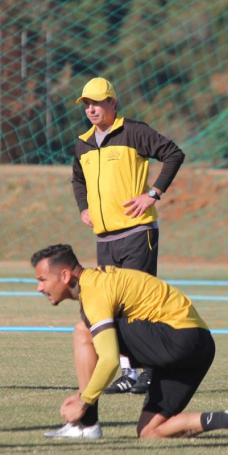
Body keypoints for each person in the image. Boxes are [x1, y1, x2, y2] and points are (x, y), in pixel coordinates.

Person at [31, 244, 228, 440]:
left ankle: (86, 425)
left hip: (177, 338)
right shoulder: (98, 281)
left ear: (65, 275)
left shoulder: (93, 291)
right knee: (149, 431)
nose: (39, 287)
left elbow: (110, 360)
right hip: (200, 345)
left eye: (42, 279)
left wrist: (85, 400)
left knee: (83, 331)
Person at [72, 77, 185, 394]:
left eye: (96, 102)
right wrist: (84, 207)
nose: (91, 109)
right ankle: (130, 372)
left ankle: (150, 370)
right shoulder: (83, 143)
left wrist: (153, 193)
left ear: (113, 103)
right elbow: (77, 179)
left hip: (137, 234)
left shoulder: (134, 131)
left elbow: (174, 154)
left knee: (140, 305)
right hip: (105, 239)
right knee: (113, 306)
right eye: (86, 104)